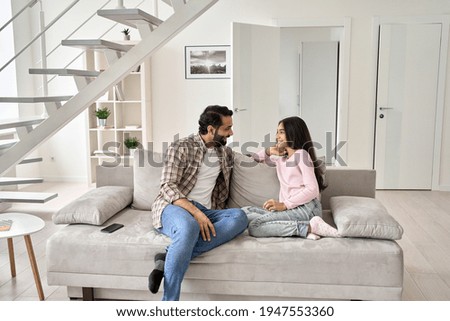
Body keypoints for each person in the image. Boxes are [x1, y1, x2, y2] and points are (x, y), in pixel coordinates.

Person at [148, 105, 248, 301]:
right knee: (189, 227)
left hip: (206, 210)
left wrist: (271, 152)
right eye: (227, 128)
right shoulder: (181, 147)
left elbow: (250, 158)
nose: (232, 132)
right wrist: (196, 213)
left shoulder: (224, 153)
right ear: (211, 129)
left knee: (240, 217)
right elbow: (168, 186)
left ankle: (167, 257)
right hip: (174, 206)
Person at [242, 116, 340, 240]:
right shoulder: (281, 159)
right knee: (244, 212)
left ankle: (308, 228)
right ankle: (306, 227)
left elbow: (312, 189)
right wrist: (268, 151)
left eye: (281, 132)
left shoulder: (301, 155)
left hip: (307, 207)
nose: (277, 136)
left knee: (255, 227)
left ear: (293, 133)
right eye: (277, 132)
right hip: (290, 209)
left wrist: (284, 205)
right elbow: (252, 159)